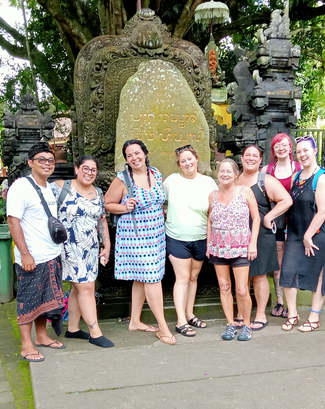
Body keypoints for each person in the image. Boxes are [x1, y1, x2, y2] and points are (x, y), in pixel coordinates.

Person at [105, 139, 177, 345]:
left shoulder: (155, 173)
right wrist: (125, 206)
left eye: (137, 153)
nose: (134, 158)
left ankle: (135, 320)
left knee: (141, 278)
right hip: (135, 237)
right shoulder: (122, 179)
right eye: (129, 155)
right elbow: (108, 204)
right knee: (152, 279)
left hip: (156, 234)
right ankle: (163, 327)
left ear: (145, 153)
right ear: (126, 159)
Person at [6, 141, 68, 362]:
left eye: (50, 160)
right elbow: (13, 221)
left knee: (45, 300)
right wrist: (24, 253)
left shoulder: (48, 187)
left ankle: (42, 336)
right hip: (32, 257)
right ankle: (26, 345)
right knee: (28, 300)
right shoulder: (21, 186)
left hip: (51, 254)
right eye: (41, 159)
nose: (47, 163)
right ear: (30, 162)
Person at [50, 156, 113, 347]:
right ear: (77, 169)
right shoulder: (61, 187)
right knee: (86, 288)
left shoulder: (98, 192)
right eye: (85, 168)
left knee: (78, 288)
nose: (89, 173)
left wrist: (107, 245)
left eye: (93, 170)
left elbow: (102, 220)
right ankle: (95, 331)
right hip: (69, 248)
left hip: (90, 248)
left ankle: (73, 329)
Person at [280, 136, 325, 333]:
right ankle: (292, 313)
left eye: (306, 150)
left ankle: (314, 317)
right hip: (296, 233)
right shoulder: (297, 177)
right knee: (287, 272)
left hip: (319, 233)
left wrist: (308, 236)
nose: (302, 154)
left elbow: (322, 211)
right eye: (299, 151)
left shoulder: (321, 178)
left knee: (318, 274)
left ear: (315, 151)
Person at [162, 144, 217, 337]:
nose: (187, 163)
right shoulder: (171, 181)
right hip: (177, 237)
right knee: (183, 278)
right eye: (183, 161)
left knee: (194, 278)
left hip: (201, 237)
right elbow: (160, 203)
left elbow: (214, 211)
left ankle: (190, 313)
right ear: (179, 164)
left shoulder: (209, 182)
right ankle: (180, 320)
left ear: (196, 159)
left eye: (190, 159)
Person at [235, 145, 292, 330]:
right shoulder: (235, 179)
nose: (250, 159)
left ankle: (260, 314)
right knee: (241, 276)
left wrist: (269, 216)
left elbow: (287, 200)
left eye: (255, 156)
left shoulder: (265, 180)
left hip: (261, 235)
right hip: (238, 235)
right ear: (242, 158)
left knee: (259, 276)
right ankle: (241, 313)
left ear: (261, 160)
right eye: (247, 155)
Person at [208, 159, 260, 341]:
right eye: (221, 171)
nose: (225, 174)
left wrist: (253, 243)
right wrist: (209, 244)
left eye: (228, 171)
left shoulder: (245, 192)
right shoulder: (212, 194)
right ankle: (230, 323)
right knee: (224, 286)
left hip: (241, 247)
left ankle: (246, 324)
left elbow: (257, 218)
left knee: (242, 290)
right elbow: (210, 220)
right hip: (218, 247)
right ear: (217, 173)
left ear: (236, 173)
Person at [262, 132, 301, 319]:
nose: (281, 148)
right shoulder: (267, 171)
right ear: (273, 149)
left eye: (284, 144)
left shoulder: (300, 169)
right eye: (277, 145)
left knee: (291, 264)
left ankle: (291, 303)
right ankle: (280, 302)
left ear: (290, 147)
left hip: (296, 223)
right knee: (278, 266)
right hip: (276, 222)